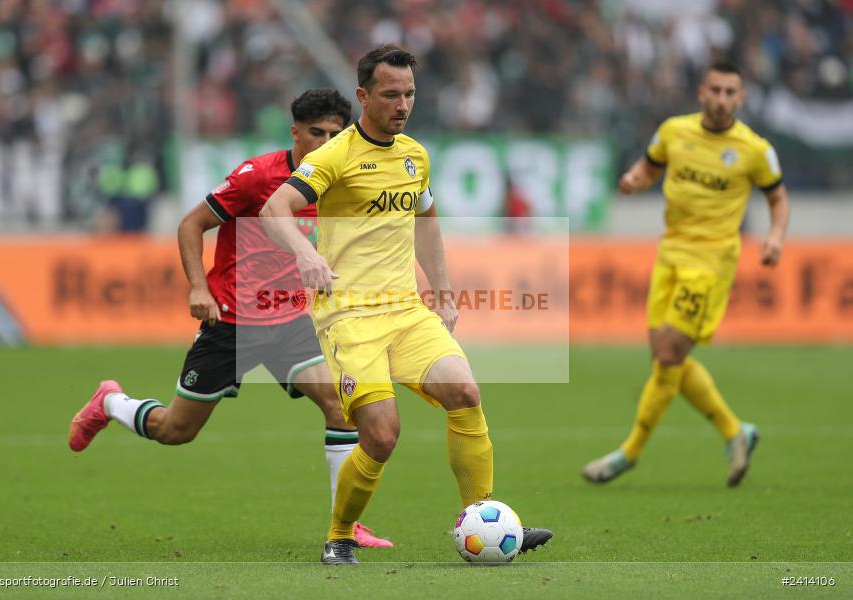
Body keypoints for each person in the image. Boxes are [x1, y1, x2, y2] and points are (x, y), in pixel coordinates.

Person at [260, 44, 553, 565]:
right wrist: (304, 251)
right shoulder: (334, 156)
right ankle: (340, 535)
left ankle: (483, 518)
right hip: (348, 315)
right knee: (381, 433)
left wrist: (440, 289)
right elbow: (274, 207)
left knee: (464, 390)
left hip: (405, 310)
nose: (402, 104)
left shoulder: (415, 155)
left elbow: (426, 218)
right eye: (391, 94)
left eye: (410, 94)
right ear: (363, 96)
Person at [68, 89, 392, 549]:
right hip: (233, 323)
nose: (323, 142)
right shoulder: (257, 176)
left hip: (292, 320)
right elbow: (190, 224)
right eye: (315, 132)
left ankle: (345, 526)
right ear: (295, 131)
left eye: (333, 134)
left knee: (341, 408)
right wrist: (199, 287)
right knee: (175, 431)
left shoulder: (339, 181)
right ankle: (111, 403)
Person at [582, 62, 790, 487]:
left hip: (711, 262)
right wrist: (633, 180)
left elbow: (778, 198)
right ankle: (737, 432)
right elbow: (649, 167)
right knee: (666, 356)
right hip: (670, 252)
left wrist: (775, 236)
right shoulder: (674, 131)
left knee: (669, 357)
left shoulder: (753, 149)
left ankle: (630, 452)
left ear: (741, 97)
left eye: (731, 92)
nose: (721, 99)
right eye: (715, 89)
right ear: (701, 92)